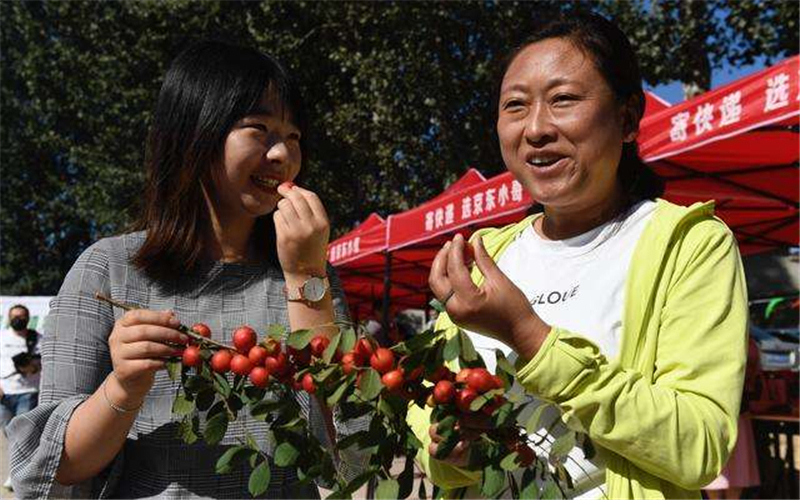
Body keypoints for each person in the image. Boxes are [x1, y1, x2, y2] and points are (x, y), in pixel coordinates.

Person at [408, 13, 748, 500]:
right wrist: (452, 451)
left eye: (563, 99)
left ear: (628, 118)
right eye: (515, 106)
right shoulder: (482, 255)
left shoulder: (689, 244)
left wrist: (529, 335)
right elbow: (425, 420)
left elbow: (698, 446)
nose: (536, 129)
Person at [7, 40, 363, 499]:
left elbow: (350, 448)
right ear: (195, 134)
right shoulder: (109, 269)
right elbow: (57, 466)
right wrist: (123, 388)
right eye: (259, 129)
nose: (282, 154)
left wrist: (305, 277)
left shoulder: (306, 273)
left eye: (293, 137)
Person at [703, 337, 762, 499]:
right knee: (727, 476)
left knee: (722, 476)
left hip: (723, 414)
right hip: (729, 414)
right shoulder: (748, 342)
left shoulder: (746, 342)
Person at [0, 304, 42, 490]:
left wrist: (33, 366)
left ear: (28, 318)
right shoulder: (2, 337)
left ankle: (16, 475)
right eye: (15, 316)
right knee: (10, 435)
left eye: (22, 316)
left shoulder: (37, 338)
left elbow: (44, 361)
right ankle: (20, 470)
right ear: (9, 318)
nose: (19, 319)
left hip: (28, 392)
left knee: (23, 435)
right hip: (4, 393)